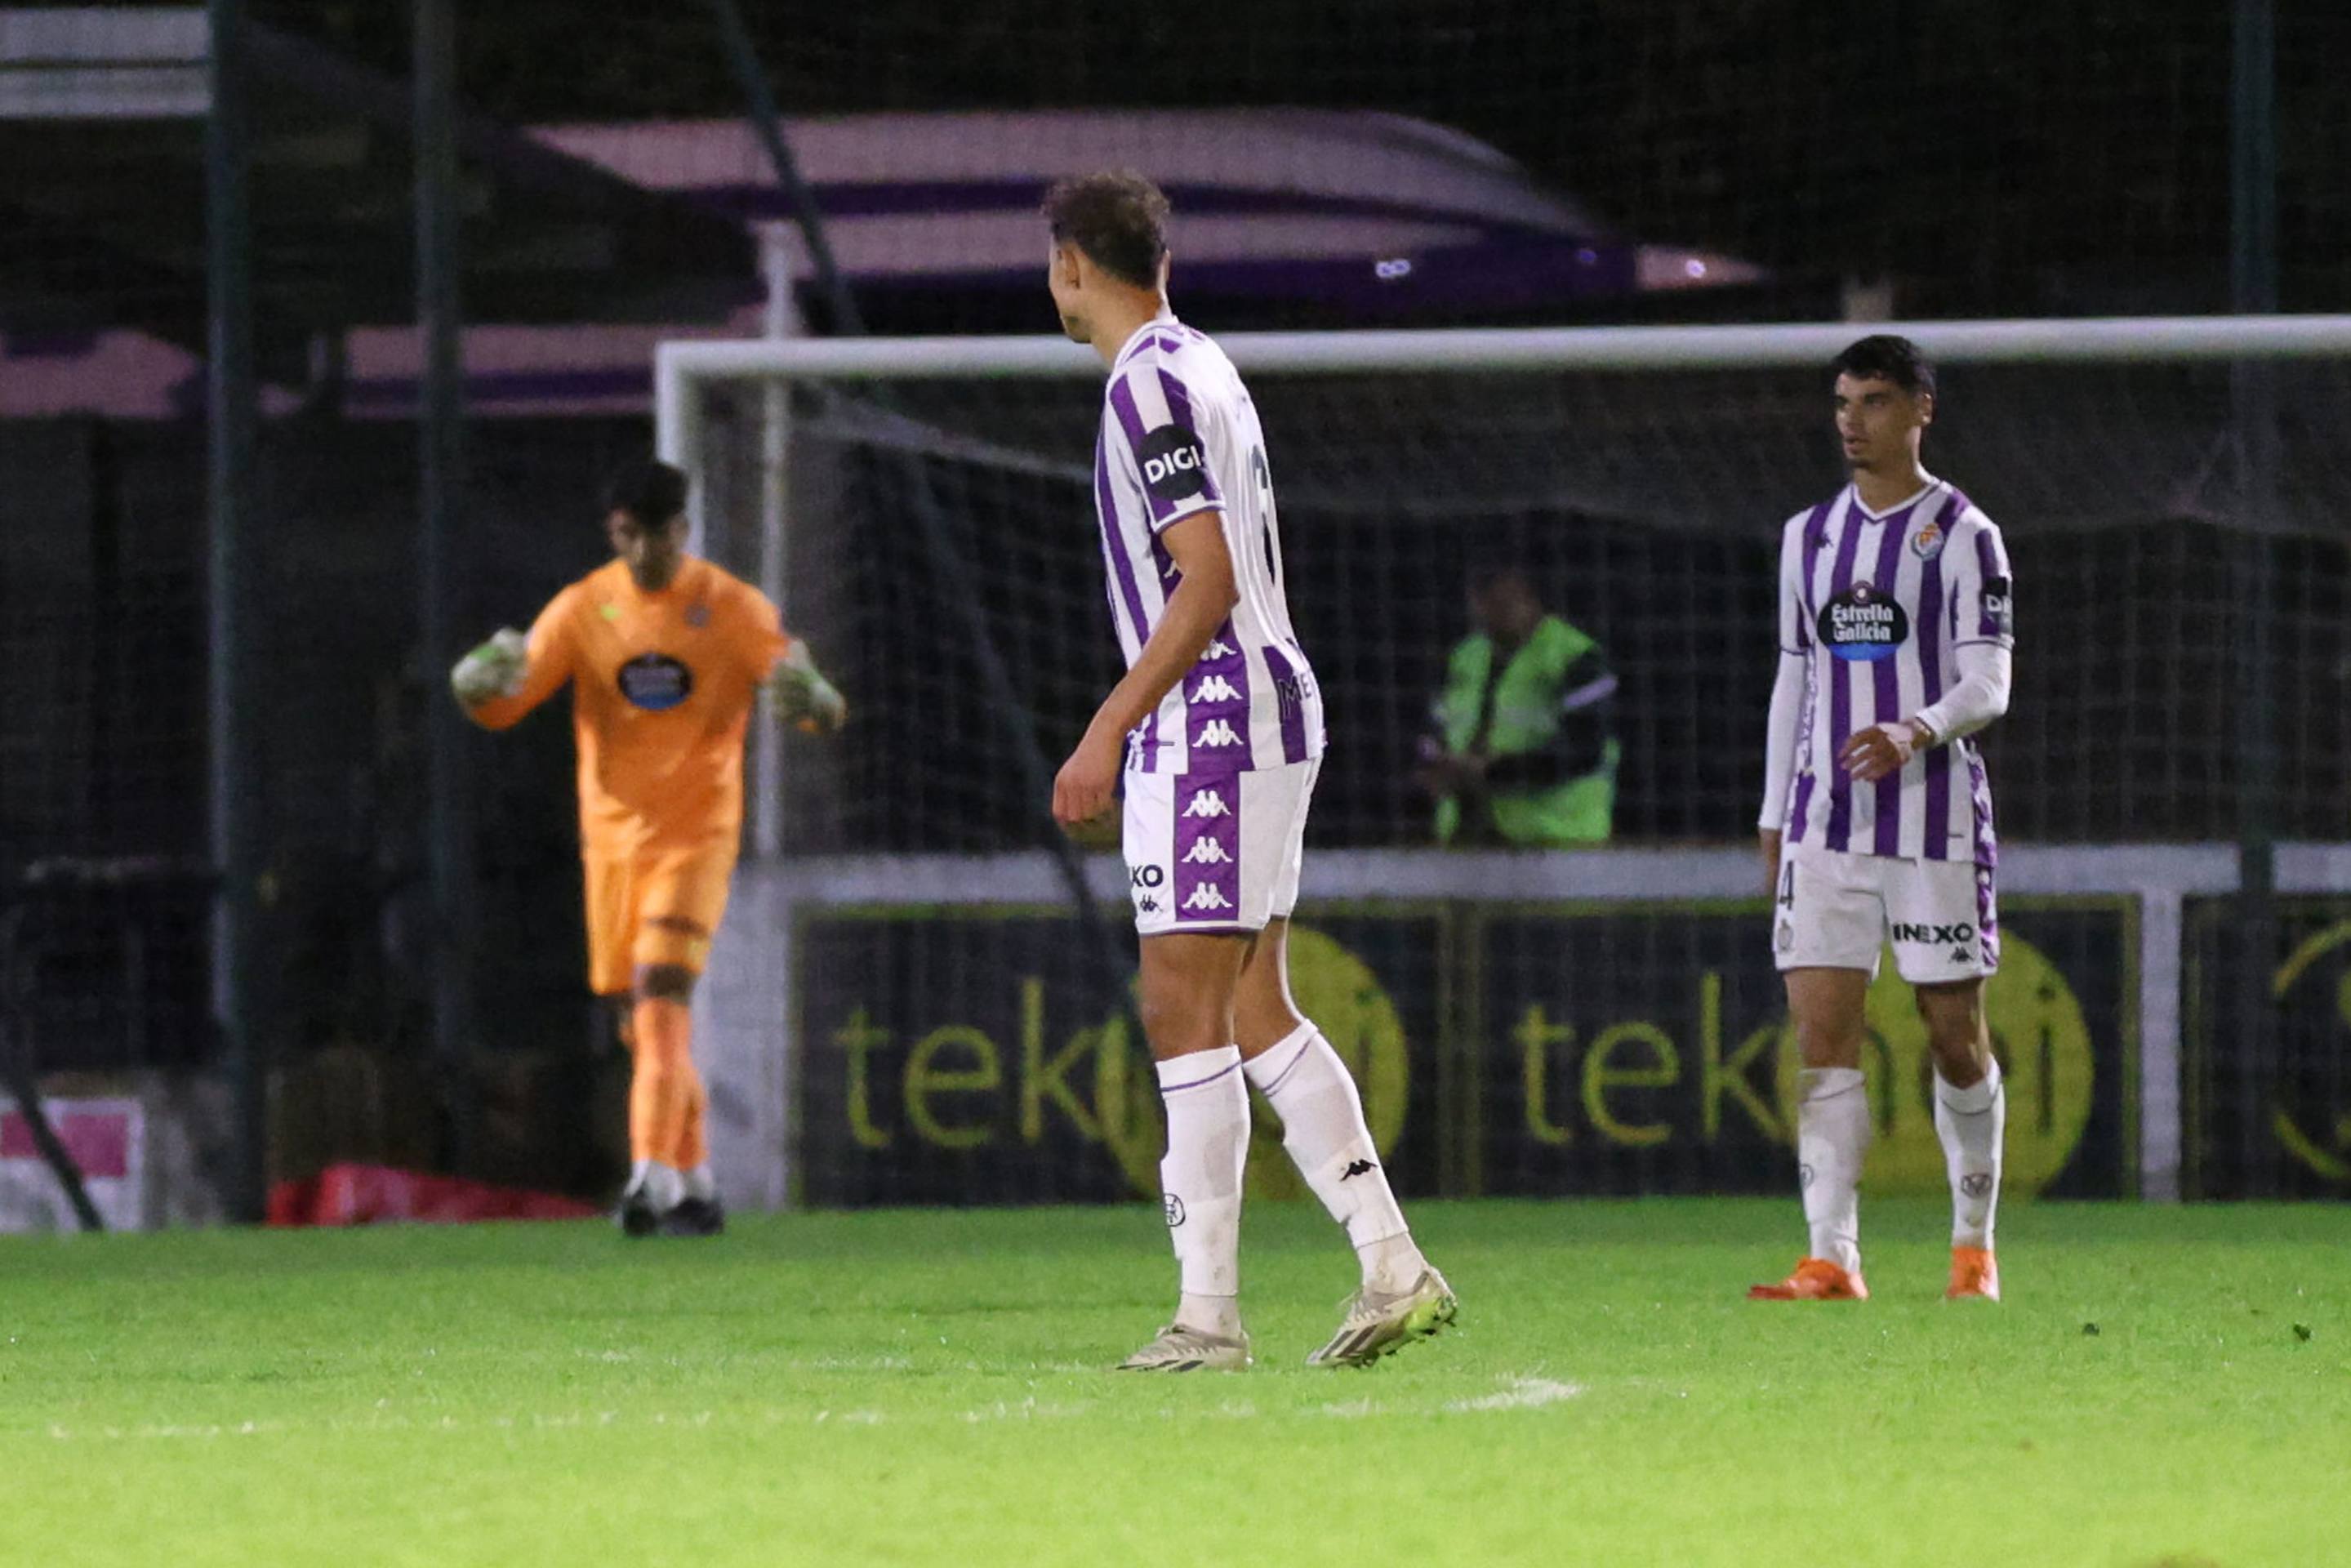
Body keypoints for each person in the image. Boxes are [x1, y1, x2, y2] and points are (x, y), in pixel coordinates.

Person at [1043, 171, 1454, 1370]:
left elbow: (1204, 576)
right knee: (1253, 1005)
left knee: (1179, 1007)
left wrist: (1107, 727)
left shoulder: (1145, 387)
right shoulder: (1204, 364)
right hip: (1257, 707)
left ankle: (1207, 1318)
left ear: (1072, 264)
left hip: (1210, 714)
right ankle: (1391, 1266)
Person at [450, 459, 844, 1237]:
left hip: (696, 837)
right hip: (611, 848)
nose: (642, 552)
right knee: (643, 1021)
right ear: (613, 533)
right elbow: (510, 700)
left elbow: (798, 690)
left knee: (661, 992)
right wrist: (471, 689)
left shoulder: (729, 608)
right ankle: (694, 1182)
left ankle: (647, 1178)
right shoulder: (584, 607)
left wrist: (822, 704)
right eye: (628, 536)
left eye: (657, 535)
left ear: (683, 530)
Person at [1752, 335, 2014, 1303]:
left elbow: (1988, 678)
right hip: (1824, 828)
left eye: (1869, 402)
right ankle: (1830, 1257)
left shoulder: (1961, 533)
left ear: (1918, 411)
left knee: (1953, 1035)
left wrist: (1915, 728)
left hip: (1931, 822)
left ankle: (1971, 1248)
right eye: (1840, 402)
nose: (1849, 422)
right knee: (1820, 1038)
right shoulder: (1807, 537)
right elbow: (1794, 678)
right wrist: (1773, 813)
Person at [1419, 559, 1619, 845]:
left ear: (1530, 598)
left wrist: (1492, 773)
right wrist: (1433, 766)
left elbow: (1585, 750)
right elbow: (1432, 730)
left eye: (1502, 602)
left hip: (1561, 841)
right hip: (1468, 840)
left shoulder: (1577, 658)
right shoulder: (1465, 657)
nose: (1488, 613)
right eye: (1481, 601)